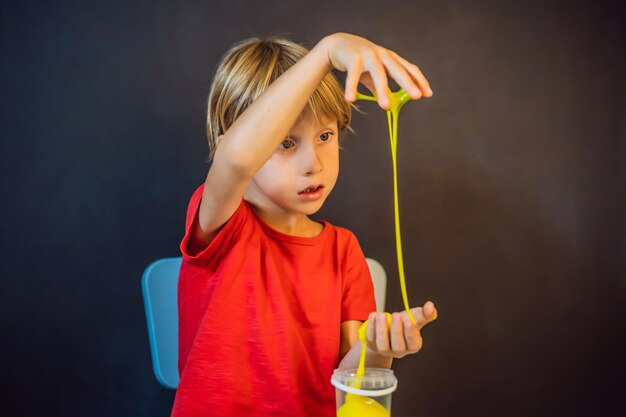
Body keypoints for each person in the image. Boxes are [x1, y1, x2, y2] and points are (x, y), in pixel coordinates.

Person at [171, 33, 437, 417]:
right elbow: (235, 160)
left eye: (325, 136)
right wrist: (327, 52)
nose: (314, 163)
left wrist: (380, 348)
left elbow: (350, 377)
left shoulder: (344, 251)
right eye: (285, 143)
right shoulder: (221, 224)